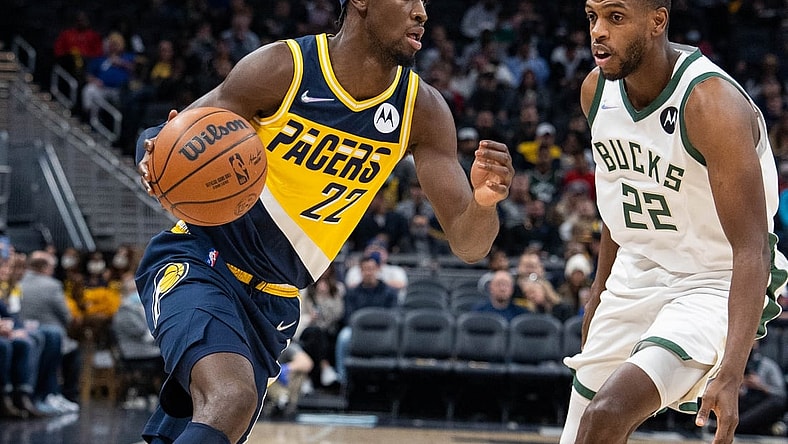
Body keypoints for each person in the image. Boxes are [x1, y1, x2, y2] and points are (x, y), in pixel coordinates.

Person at [134, 1, 514, 443]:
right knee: (230, 399)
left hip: (275, 302)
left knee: (208, 422)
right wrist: (153, 156)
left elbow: (470, 246)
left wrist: (485, 203)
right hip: (201, 261)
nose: (422, 12)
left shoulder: (422, 110)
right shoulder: (283, 68)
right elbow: (173, 137)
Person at [560, 1, 788, 444]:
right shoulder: (596, 90)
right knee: (578, 434)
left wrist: (734, 371)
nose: (598, 32)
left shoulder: (711, 105)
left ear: (657, 22)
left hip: (713, 281)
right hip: (637, 272)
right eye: (592, 18)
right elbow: (617, 198)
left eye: (616, 17)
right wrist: (598, 293)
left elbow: (752, 248)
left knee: (606, 415)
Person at [334, 254, 399, 385]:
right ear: (361, 271)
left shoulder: (390, 292)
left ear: (377, 269)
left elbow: (393, 316)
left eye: (371, 268)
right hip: (356, 331)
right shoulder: (352, 293)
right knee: (343, 337)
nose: (369, 272)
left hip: (382, 331)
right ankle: (343, 380)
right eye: (365, 269)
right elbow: (348, 316)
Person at [736, 340, 787, 436]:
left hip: (758, 406)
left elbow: (780, 393)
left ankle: (737, 425)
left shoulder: (768, 365)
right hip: (738, 404)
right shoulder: (732, 365)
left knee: (778, 402)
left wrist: (760, 386)